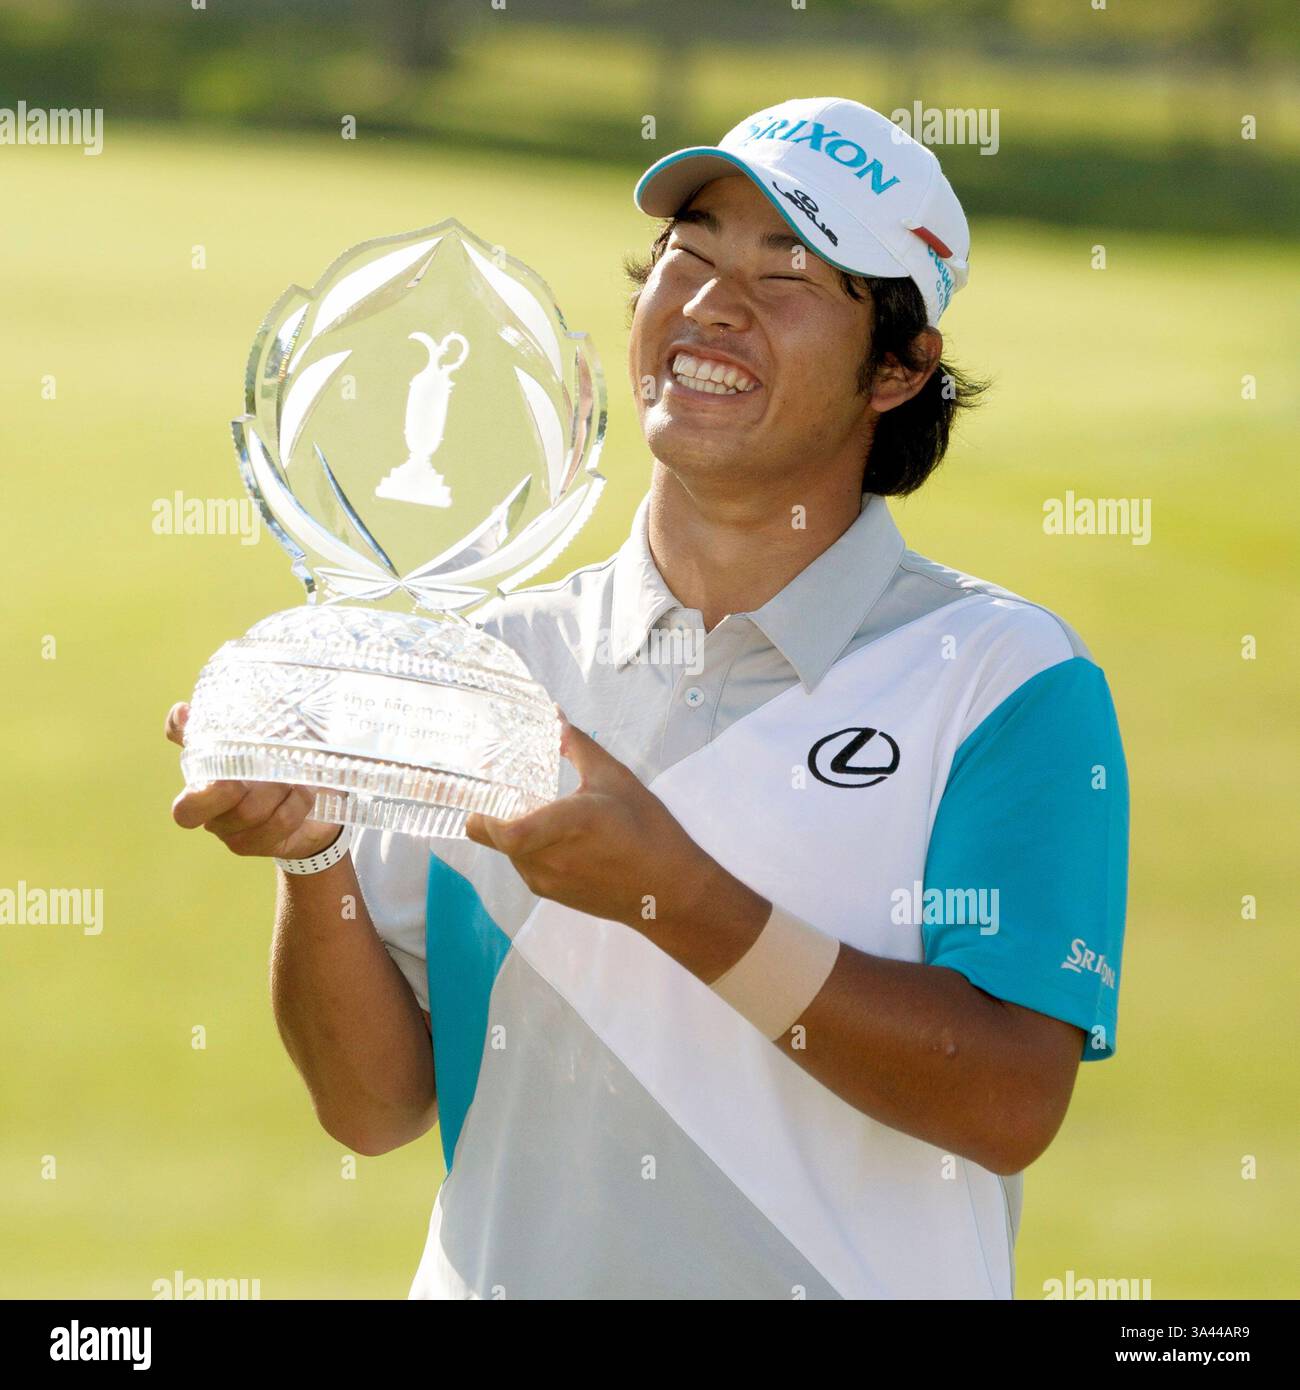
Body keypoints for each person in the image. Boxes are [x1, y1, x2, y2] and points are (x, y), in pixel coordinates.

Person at [166, 97, 1128, 1299]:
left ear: (898, 365)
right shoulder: (486, 660)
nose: (713, 305)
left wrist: (673, 898)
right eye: (690, 253)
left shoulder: (1003, 677)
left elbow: (1005, 1097)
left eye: (792, 272)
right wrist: (311, 862)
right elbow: (372, 1107)